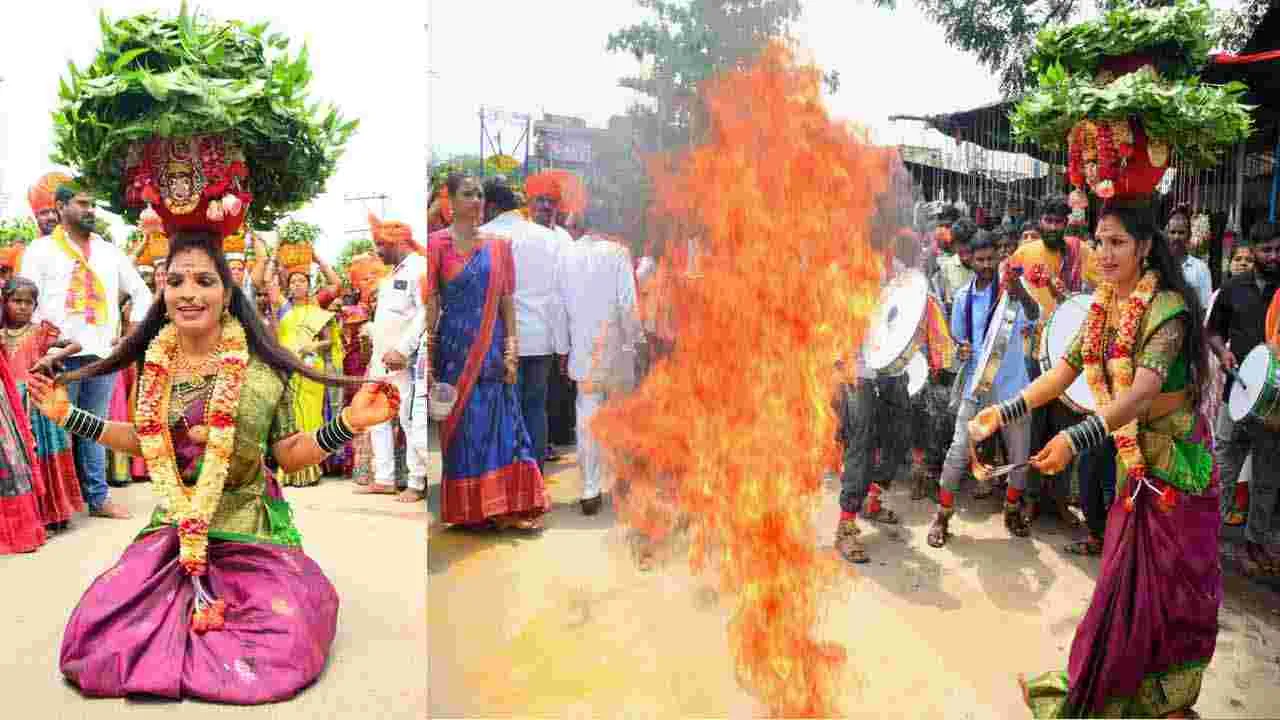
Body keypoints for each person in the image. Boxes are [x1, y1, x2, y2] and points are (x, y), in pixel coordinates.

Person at [27, 230, 395, 703]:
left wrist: (348, 422)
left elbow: (287, 453)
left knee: (282, 639)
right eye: (176, 281)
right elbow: (144, 441)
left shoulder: (263, 369)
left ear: (227, 293)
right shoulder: (156, 363)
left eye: (204, 280)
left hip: (248, 525)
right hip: (176, 527)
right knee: (99, 632)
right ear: (163, 291)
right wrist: (68, 415)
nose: (188, 293)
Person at [969, 204, 1217, 718]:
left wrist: (1074, 441)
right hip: (1135, 463)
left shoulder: (1168, 308)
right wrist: (1003, 410)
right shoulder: (1100, 310)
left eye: (1118, 243)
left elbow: (1143, 394)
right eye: (1100, 241)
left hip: (1177, 468)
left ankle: (1171, 700)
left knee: (1173, 591)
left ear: (1146, 246)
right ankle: (1119, 689)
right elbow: (1059, 377)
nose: (1104, 254)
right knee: (1122, 587)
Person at [415, 174, 549, 531]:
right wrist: (427, 354)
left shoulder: (499, 245)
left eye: (479, 195)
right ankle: (469, 510)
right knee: (463, 429)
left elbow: (506, 301)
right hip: (454, 352)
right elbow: (432, 302)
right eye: (467, 194)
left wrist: (511, 350)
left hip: (492, 347)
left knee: (502, 425)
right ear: (451, 201)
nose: (475, 200)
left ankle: (506, 505)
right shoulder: (436, 245)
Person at [19, 182, 153, 521]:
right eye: (82, 204)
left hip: (101, 355)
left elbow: (142, 293)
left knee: (93, 427)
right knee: (52, 430)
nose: (90, 210)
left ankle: (98, 498)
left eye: (93, 204)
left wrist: (130, 337)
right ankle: (54, 505)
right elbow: (28, 302)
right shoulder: (40, 250)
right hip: (55, 356)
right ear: (61, 207)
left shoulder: (109, 252)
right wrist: (39, 347)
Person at [928, 232, 1039, 546]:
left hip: (1014, 386)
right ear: (970, 259)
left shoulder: (1012, 290)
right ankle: (942, 515)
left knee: (1019, 453)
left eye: (992, 258)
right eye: (981, 260)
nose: (987, 265)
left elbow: (1035, 316)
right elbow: (962, 340)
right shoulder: (963, 296)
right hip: (976, 387)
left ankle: (1012, 509)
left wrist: (1021, 293)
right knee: (958, 450)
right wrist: (962, 349)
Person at [556, 208, 642, 515]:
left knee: (587, 420)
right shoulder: (618, 253)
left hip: (582, 351)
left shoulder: (565, 255)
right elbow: (627, 304)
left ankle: (590, 490)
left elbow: (559, 306)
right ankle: (622, 482)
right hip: (616, 350)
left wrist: (562, 347)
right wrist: (635, 342)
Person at [479, 177, 567, 475]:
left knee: (505, 408)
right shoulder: (548, 237)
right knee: (535, 406)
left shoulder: (483, 236)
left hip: (499, 339)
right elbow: (560, 291)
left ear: (489, 206)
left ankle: (510, 479)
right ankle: (535, 475)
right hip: (542, 337)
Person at [1208, 221, 1280, 574]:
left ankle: (1257, 541)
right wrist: (1223, 353)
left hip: (1274, 402)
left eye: (1278, 249)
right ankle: (1209, 537)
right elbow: (1213, 332)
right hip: (1236, 394)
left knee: (1267, 475)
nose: (1274, 256)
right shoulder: (1233, 287)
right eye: (1267, 250)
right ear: (1252, 251)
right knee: (1224, 466)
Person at [2, 278, 85, 533]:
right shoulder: (2, 334)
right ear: (5, 302)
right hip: (11, 406)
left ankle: (55, 513)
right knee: (24, 459)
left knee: (46, 453)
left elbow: (76, 345)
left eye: (29, 302)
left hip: (38, 400)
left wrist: (52, 357)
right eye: (17, 301)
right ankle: (33, 514)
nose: (23, 307)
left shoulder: (40, 332)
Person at [363, 213, 429, 502]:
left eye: (381, 244)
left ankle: (416, 482)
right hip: (381, 358)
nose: (377, 251)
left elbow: (426, 312)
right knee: (375, 413)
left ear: (398, 242)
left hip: (405, 360)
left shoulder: (419, 268)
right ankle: (384, 478)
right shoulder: (391, 274)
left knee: (409, 418)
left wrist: (403, 349)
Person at [275, 257, 343, 487]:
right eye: (293, 282)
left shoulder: (317, 309)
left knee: (310, 417)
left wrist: (312, 346)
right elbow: (267, 283)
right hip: (289, 368)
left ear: (309, 285)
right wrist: (274, 255)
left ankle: (308, 469)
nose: (297, 285)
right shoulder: (284, 309)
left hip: (312, 369)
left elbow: (328, 342)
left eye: (301, 281)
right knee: (291, 415)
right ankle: (290, 469)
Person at [527, 172, 579, 458]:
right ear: (531, 204)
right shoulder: (521, 236)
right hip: (529, 328)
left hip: (560, 325)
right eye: (541, 200)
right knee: (534, 393)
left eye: (551, 201)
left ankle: (548, 441)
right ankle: (536, 447)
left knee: (555, 388)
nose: (546, 206)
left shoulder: (565, 240)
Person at [1165, 206, 1212, 313]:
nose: (1176, 237)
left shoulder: (1201, 268)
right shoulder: (1160, 265)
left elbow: (1205, 307)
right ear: (1167, 234)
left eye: (1181, 233)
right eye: (1172, 232)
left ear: (1189, 235)